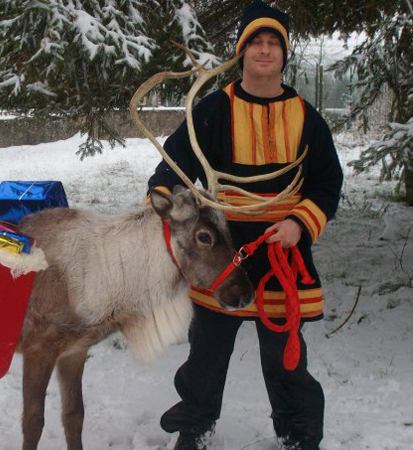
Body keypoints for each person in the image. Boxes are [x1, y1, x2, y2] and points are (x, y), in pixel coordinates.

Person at [147, 1, 343, 449]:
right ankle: (193, 429)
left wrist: (299, 223)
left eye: (274, 42)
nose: (265, 50)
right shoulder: (214, 109)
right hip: (223, 253)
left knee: (286, 359)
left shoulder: (308, 118)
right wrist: (165, 198)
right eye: (256, 41)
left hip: (283, 253)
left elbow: (328, 183)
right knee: (206, 355)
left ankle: (299, 435)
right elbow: (172, 169)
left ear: (283, 54)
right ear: (242, 50)